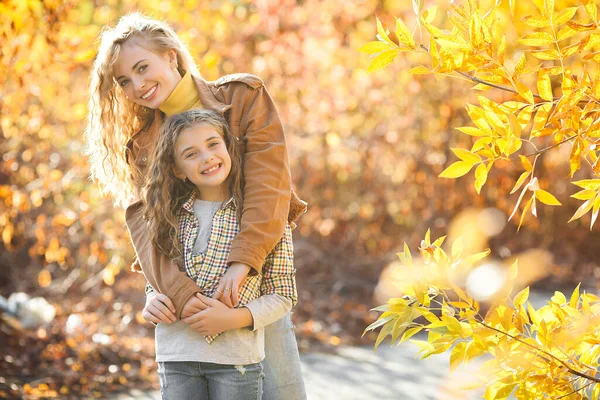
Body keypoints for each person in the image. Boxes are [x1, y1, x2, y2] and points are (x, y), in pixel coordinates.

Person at [85, 13, 307, 399]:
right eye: (124, 81)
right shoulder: (144, 146)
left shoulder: (242, 97)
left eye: (142, 68)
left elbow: (269, 187)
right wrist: (169, 295)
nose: (137, 86)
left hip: (253, 285)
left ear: (171, 57)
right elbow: (149, 231)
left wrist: (242, 263)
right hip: (187, 313)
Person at [141, 109, 297, 399]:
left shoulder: (264, 218)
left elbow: (283, 295)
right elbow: (157, 277)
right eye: (191, 154)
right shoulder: (167, 217)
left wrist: (232, 319)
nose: (207, 157)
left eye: (213, 144)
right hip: (177, 356)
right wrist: (152, 299)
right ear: (177, 169)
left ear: (228, 146)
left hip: (236, 361)